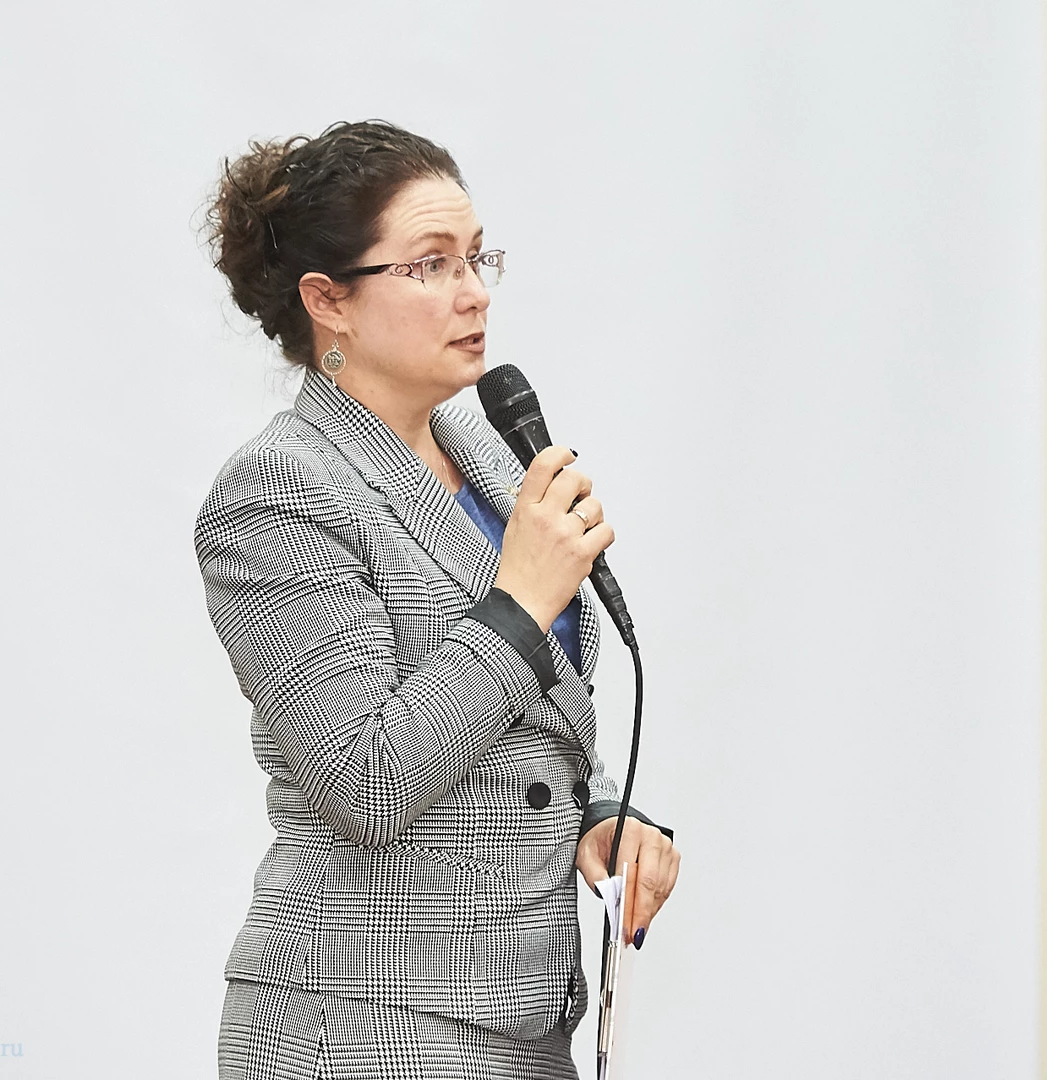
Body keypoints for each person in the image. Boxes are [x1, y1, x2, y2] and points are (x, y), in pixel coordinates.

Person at [195, 120, 682, 1080]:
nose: (474, 292)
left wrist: (599, 813)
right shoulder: (278, 490)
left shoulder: (487, 455)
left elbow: (523, 726)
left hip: (526, 1022)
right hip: (362, 1025)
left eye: (476, 257)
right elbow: (366, 779)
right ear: (327, 300)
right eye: (428, 265)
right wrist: (518, 603)